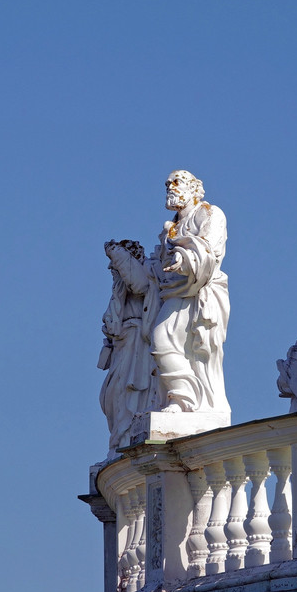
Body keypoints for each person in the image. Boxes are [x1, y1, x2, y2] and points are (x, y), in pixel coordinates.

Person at [106, 171, 230, 415]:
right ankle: (178, 399)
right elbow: (150, 275)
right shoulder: (170, 229)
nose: (170, 187)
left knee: (163, 341)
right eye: (167, 184)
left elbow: (210, 250)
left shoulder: (209, 213)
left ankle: (184, 401)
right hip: (171, 292)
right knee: (163, 343)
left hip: (196, 291)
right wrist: (122, 261)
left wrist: (184, 259)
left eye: (177, 182)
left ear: (194, 188)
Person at [99, 239, 161, 456]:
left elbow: (139, 284)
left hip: (136, 346)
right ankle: (118, 441)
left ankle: (124, 440)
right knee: (112, 397)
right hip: (122, 345)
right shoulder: (119, 288)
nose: (110, 268)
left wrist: (115, 252)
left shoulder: (142, 277)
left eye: (113, 263)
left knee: (128, 394)